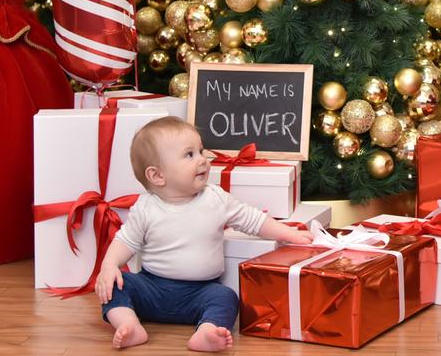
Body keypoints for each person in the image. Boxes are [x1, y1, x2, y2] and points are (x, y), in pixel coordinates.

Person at [93, 116, 313, 351]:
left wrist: (286, 233)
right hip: (152, 288)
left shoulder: (215, 198)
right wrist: (109, 266)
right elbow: (125, 242)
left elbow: (252, 219)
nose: (203, 160)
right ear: (157, 176)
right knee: (117, 285)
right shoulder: (146, 207)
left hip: (199, 292)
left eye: (201, 151)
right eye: (190, 155)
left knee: (226, 297)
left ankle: (207, 331)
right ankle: (128, 324)